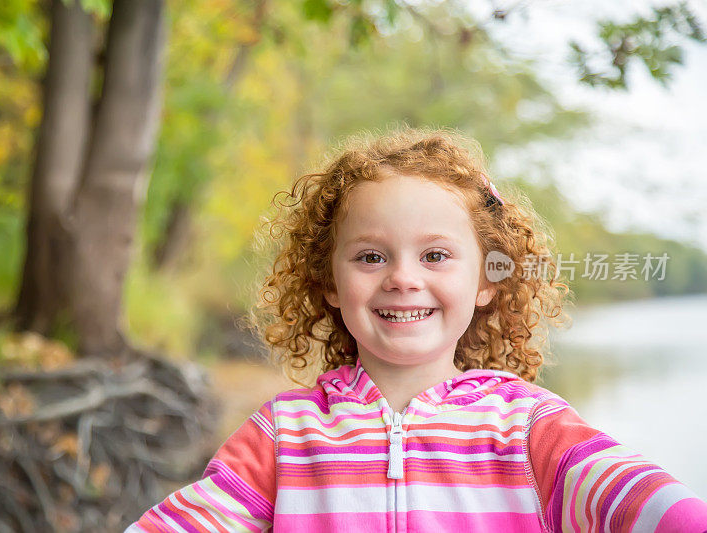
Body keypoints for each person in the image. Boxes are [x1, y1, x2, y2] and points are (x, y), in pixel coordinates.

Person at [125, 127, 707, 532]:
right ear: (329, 281)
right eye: (371, 257)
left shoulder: (528, 427)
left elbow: (635, 500)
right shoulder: (284, 434)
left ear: (486, 282)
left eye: (435, 256)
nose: (403, 278)